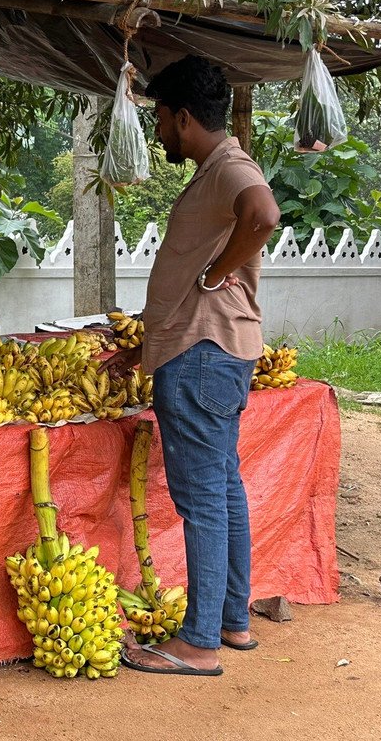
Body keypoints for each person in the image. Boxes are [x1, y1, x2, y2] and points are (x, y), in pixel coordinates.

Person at [101, 55, 281, 677]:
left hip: (202, 356)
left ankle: (199, 642)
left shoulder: (231, 167)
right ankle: (231, 622)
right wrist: (148, 341)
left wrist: (218, 271)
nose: (156, 132)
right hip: (209, 350)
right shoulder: (215, 170)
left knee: (203, 498)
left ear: (183, 118)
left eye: (158, 119)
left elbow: (264, 215)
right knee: (224, 489)